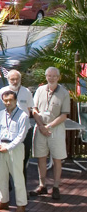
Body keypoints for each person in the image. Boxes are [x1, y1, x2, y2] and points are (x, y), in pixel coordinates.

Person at [30, 67, 70, 200]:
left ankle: (56, 187)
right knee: (41, 157)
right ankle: (42, 185)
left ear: (58, 77)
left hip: (56, 128)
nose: (52, 78)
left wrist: (49, 126)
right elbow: (34, 109)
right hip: (40, 127)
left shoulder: (64, 93)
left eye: (54, 76)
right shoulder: (40, 90)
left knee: (57, 158)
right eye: (49, 75)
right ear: (46, 76)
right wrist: (41, 126)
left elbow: (64, 115)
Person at [0, 90, 29, 212]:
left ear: (15, 101)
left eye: (10, 100)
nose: (7, 103)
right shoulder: (0, 114)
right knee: (1, 177)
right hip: (1, 148)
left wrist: (9, 147)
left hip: (15, 149)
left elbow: (21, 136)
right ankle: (3, 200)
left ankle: (21, 204)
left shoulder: (23, 116)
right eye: (5, 100)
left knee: (17, 178)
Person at [0, 70, 35, 188]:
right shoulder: (1, 92)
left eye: (17, 79)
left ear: (20, 79)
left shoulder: (26, 92)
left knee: (23, 160)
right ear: (8, 80)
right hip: (7, 131)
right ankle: (6, 186)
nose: (14, 81)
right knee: (5, 159)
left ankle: (21, 188)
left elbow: (30, 109)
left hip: (24, 130)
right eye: (12, 79)